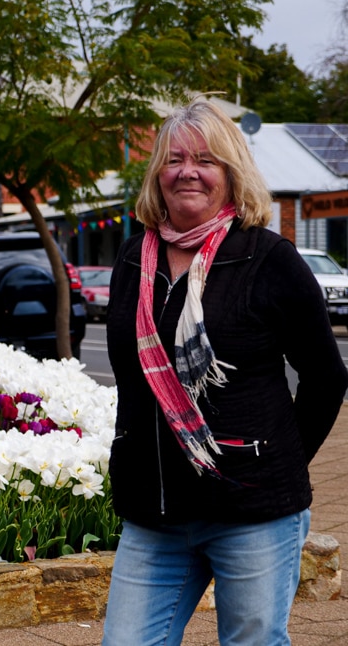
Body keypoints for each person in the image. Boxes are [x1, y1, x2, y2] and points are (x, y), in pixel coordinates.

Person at [102, 97, 348, 645]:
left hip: (251, 511)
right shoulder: (130, 260)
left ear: (231, 174)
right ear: (157, 173)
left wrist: (273, 460)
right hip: (155, 514)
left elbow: (326, 379)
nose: (188, 171)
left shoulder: (269, 259)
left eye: (206, 160)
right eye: (175, 159)